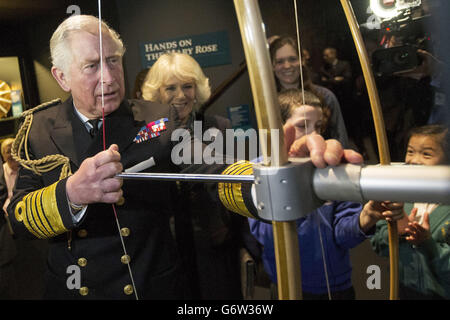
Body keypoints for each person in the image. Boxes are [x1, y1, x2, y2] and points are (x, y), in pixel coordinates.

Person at [7, 15, 361, 300]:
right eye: (92, 66)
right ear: (61, 77)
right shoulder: (36, 129)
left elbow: (211, 166)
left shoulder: (157, 118)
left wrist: (270, 173)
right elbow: (18, 218)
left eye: (113, 61)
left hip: (153, 285)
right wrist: (71, 194)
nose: (109, 77)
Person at [248, 89, 405, 299]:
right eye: (302, 126)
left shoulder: (331, 169)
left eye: (318, 126)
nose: (313, 135)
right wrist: (290, 181)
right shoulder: (261, 170)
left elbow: (343, 235)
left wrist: (365, 218)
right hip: (286, 284)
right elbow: (266, 236)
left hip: (336, 284)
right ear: (279, 126)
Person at [141, 52, 248, 299]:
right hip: (167, 245)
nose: (181, 95)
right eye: (171, 88)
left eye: (187, 86)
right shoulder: (148, 133)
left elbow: (231, 182)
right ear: (158, 92)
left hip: (215, 240)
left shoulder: (220, 127)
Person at [371, 124, 450, 299]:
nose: (414, 160)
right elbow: (378, 245)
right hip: (403, 291)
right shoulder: (400, 196)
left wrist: (428, 243)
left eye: (426, 154)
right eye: (411, 151)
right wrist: (396, 233)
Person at [269, 36, 349, 148]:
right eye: (280, 61)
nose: (287, 66)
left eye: (292, 59)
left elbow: (341, 141)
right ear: (272, 66)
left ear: (302, 60)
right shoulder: (266, 104)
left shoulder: (325, 96)